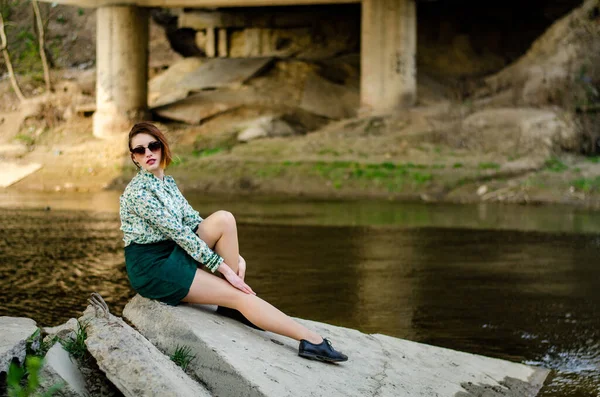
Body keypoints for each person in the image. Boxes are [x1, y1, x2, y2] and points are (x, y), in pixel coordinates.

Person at [119, 122, 347, 363]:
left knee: (224, 219)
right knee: (240, 295)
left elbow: (194, 221)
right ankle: (310, 340)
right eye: (139, 151)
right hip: (153, 269)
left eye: (153, 146)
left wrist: (235, 260)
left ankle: (230, 301)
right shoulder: (138, 192)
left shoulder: (167, 183)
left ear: (162, 147)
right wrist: (224, 269)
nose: (148, 154)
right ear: (134, 157)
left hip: (172, 252)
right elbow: (180, 234)